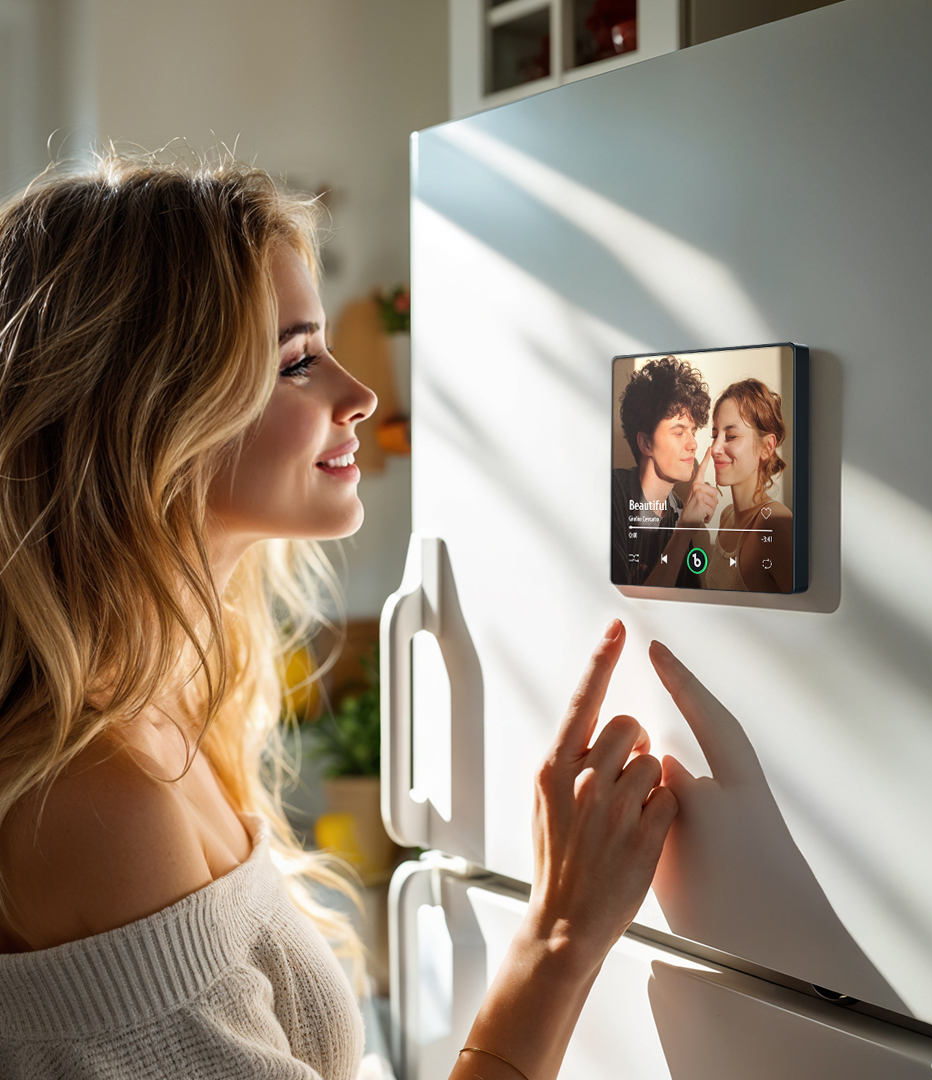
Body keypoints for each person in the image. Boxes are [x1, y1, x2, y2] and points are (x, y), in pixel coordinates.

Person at [0, 155, 678, 1080]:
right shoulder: (92, 805)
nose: (360, 396)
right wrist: (558, 939)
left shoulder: (169, 714)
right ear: (151, 412)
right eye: (298, 362)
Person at [611, 356, 715, 588]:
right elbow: (622, 604)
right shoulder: (613, 493)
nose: (693, 444)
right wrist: (683, 532)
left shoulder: (678, 510)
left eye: (693, 431)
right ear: (646, 443)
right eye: (678, 432)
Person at [704, 378, 793, 593]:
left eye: (731, 436)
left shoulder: (775, 523)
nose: (715, 448)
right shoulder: (726, 517)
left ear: (767, 447)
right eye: (715, 435)